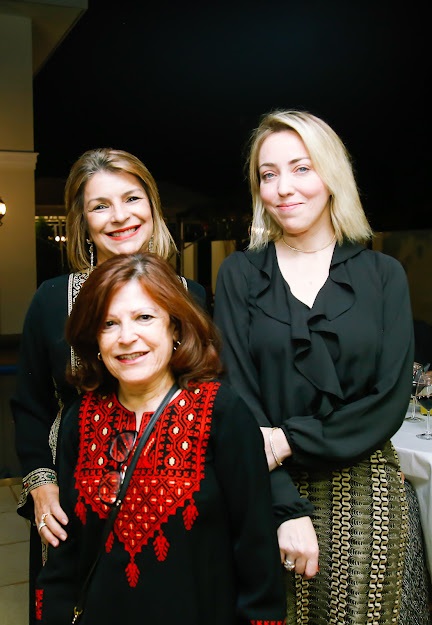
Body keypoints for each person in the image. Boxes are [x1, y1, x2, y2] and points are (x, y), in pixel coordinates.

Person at [213, 110, 431, 624]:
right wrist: (283, 506)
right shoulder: (240, 274)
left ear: (332, 175)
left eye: (301, 168)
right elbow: (236, 396)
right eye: (268, 174)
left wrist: (286, 439)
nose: (284, 188)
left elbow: (388, 401)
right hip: (265, 488)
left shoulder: (383, 275)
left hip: (367, 498)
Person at [34, 252, 287, 625]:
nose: (127, 338)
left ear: (176, 328)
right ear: (95, 339)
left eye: (144, 318)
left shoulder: (222, 413)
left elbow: (256, 550)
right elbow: (64, 558)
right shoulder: (81, 420)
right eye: (109, 323)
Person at [11, 148, 207, 624]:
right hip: (73, 493)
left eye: (132, 198)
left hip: (170, 489)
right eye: (100, 206)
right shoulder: (52, 300)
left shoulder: (191, 297)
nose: (120, 216)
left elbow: (206, 398)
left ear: (152, 206)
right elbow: (31, 405)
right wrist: (42, 486)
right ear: (83, 222)